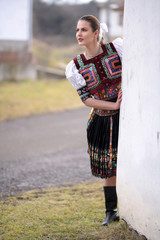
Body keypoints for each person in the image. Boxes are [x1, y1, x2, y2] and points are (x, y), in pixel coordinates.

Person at [65, 15, 123, 226]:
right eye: (77, 30)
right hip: (101, 120)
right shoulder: (75, 66)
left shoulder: (117, 49)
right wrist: (113, 105)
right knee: (110, 166)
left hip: (127, 117)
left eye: (84, 30)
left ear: (96, 33)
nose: (79, 34)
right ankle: (111, 211)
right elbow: (86, 99)